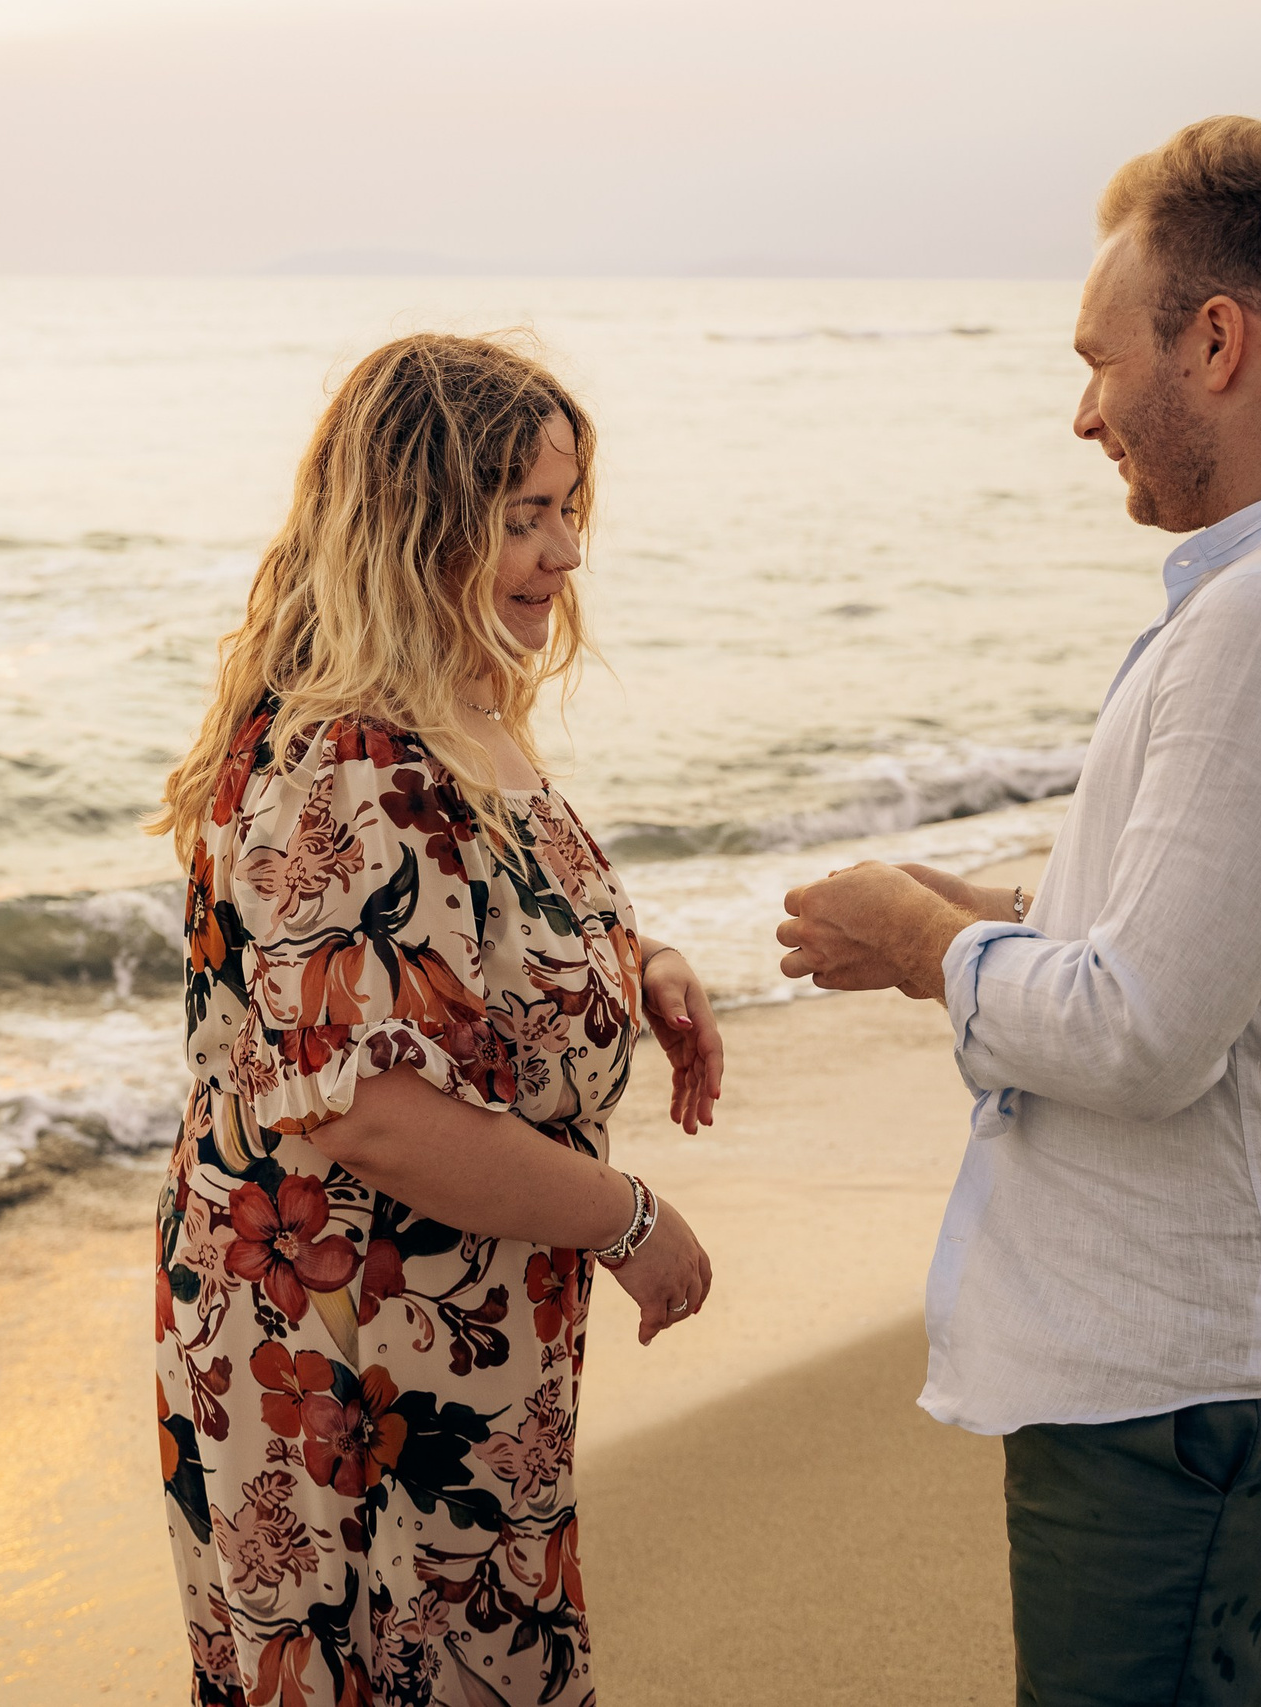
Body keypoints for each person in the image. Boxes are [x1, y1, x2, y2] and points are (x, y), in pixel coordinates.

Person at [776, 118, 1261, 1704]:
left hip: (1185, 1378)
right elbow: (1233, 933)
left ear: (1217, 342)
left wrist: (928, 944)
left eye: (1100, 358)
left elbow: (1150, 1030)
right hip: (1213, 1358)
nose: (1082, 411)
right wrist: (1003, 913)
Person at [145, 333, 726, 1707]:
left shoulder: (459, 709)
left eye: (569, 508)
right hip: (345, 1359)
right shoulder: (350, 760)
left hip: (443, 1341)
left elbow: (473, 936)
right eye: (522, 515)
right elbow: (377, 1115)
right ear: (417, 523)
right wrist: (627, 1220)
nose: (563, 551)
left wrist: (639, 967)